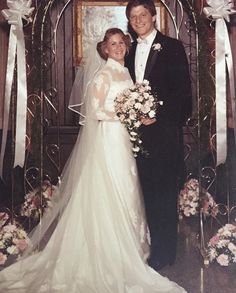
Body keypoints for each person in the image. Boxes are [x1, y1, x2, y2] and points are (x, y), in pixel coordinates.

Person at [0, 28, 186, 293]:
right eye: (113, 43)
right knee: (109, 190)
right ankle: (107, 252)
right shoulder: (103, 74)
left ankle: (128, 249)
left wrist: (134, 112)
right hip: (109, 139)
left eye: (122, 42)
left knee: (127, 189)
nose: (118, 46)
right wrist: (125, 112)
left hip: (125, 140)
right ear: (104, 49)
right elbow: (96, 110)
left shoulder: (125, 72)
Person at [125, 0, 192, 271]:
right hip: (135, 139)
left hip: (163, 135)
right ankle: (149, 248)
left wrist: (158, 115)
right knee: (145, 196)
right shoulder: (129, 53)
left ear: (154, 16)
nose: (138, 20)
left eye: (143, 14)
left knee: (164, 196)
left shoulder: (173, 47)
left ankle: (165, 254)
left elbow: (183, 95)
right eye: (133, 17)